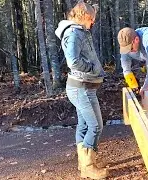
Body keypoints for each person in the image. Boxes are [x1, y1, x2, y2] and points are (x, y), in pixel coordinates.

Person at [55, 2, 108, 179]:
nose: (93, 22)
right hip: (82, 88)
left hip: (84, 87)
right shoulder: (74, 33)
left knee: (85, 124)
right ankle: (88, 166)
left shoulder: (79, 31)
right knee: (96, 125)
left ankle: (83, 163)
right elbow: (73, 61)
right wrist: (92, 68)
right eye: (91, 18)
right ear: (83, 16)